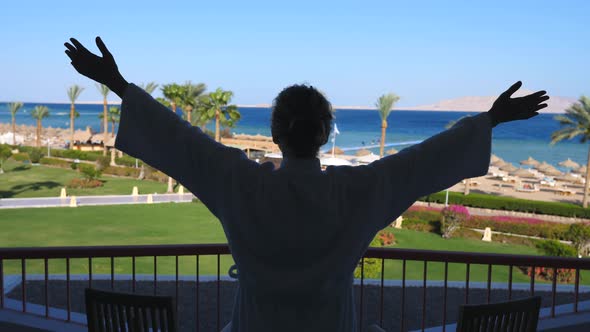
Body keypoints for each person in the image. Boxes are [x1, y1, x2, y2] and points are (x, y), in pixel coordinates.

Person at [64, 37, 549, 332]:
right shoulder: (357, 192)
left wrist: (118, 83)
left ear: (275, 134)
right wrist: (491, 120)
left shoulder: (239, 184)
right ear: (324, 133)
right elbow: (423, 161)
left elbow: (181, 140)